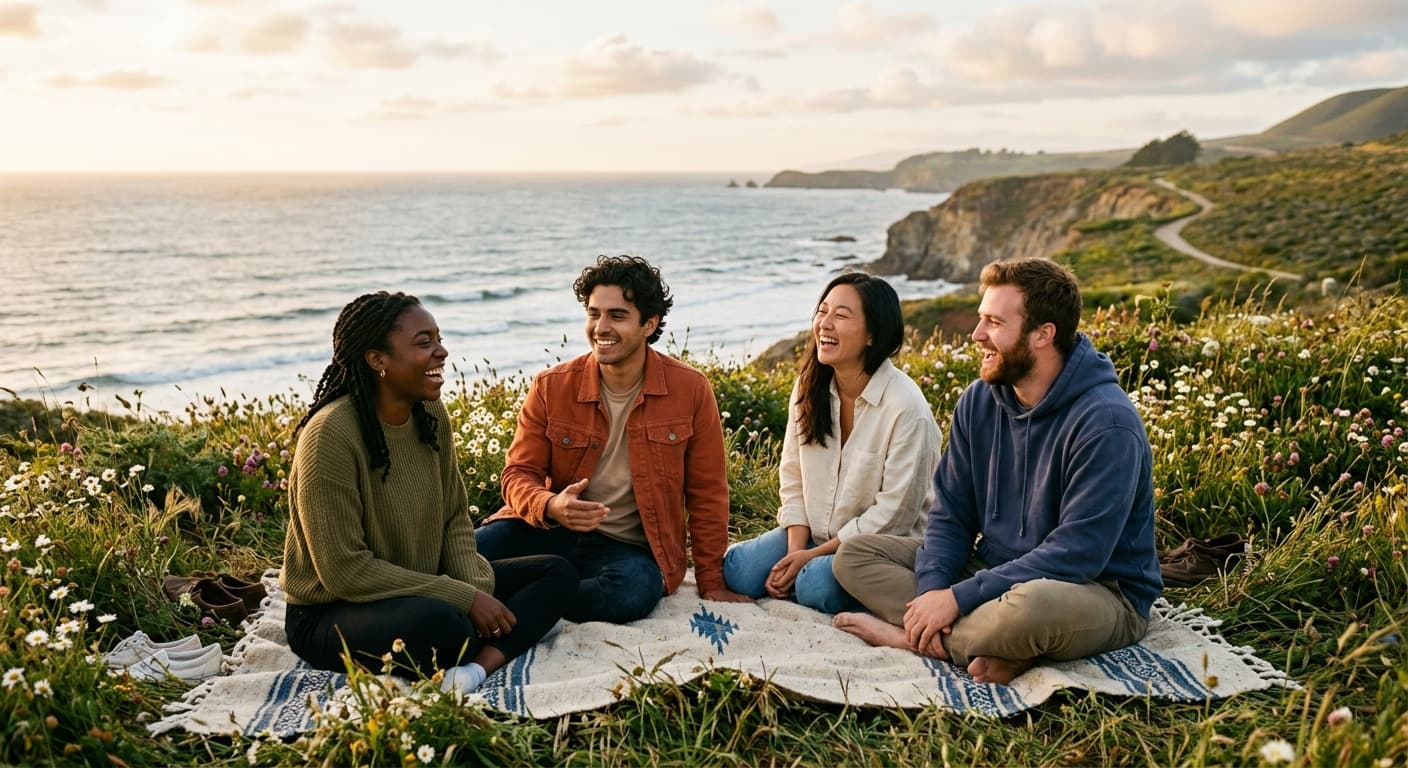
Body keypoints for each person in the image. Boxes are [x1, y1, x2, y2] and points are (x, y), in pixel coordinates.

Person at [832, 258, 1162, 685]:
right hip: (991, 568)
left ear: (1044, 334)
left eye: (993, 322)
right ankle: (975, 639)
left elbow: (1077, 554)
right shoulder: (979, 401)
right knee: (854, 555)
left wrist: (960, 597)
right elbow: (951, 513)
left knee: (1030, 610)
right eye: (980, 319)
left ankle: (915, 637)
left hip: (1093, 590)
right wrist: (936, 591)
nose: (976, 335)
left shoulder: (1106, 423)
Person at [282, 291, 575, 694]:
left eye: (438, 339)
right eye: (424, 343)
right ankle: (504, 634)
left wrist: (475, 586)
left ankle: (477, 668)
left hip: (419, 582)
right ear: (377, 360)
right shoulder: (329, 436)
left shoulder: (430, 414)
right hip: (333, 610)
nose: (442, 352)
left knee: (556, 574)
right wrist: (464, 599)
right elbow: (344, 571)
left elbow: (454, 516)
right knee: (444, 626)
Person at [475, 256, 751, 622]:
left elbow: (708, 492)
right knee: (469, 552)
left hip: (628, 549)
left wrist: (711, 581)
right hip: (549, 528)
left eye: (617, 316)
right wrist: (552, 504)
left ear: (648, 324)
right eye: (594, 313)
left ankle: (522, 594)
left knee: (631, 593)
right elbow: (517, 474)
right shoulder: (551, 386)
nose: (601, 327)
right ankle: (532, 591)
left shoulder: (691, 389)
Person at [722, 273, 941, 613]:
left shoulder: (907, 410)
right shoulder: (810, 386)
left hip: (877, 549)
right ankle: (807, 566)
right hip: (814, 536)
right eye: (822, 311)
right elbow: (792, 474)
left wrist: (808, 559)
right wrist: (797, 549)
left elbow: (893, 515)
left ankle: (818, 573)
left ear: (873, 334)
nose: (824, 323)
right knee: (738, 571)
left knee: (814, 585)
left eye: (841, 315)